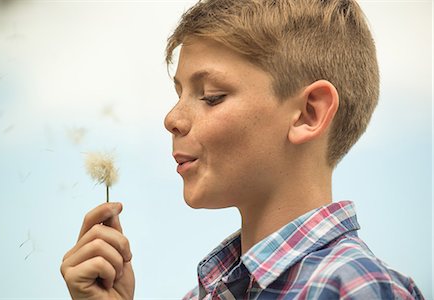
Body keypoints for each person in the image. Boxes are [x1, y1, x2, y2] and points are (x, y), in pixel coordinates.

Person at [60, 0, 425, 299]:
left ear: (307, 113)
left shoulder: (353, 287)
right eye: (179, 94)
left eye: (211, 97)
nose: (172, 118)